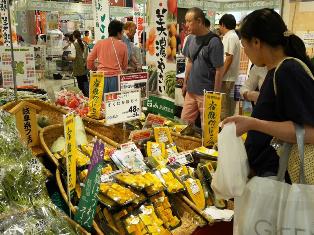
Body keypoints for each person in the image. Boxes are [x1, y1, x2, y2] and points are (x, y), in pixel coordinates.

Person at [223, 8, 314, 178]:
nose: (247, 54)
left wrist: (252, 124)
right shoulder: (275, 71)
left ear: (256, 42)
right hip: (268, 175)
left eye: (245, 47)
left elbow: (309, 132)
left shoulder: (288, 71)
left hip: (280, 179)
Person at [181, 7, 224, 124]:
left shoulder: (214, 41)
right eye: (186, 21)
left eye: (189, 21)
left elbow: (219, 70)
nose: (186, 25)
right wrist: (185, 83)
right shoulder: (190, 39)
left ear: (199, 21)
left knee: (209, 128)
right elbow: (190, 61)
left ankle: (209, 143)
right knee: (184, 123)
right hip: (191, 90)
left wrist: (216, 94)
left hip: (207, 93)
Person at [87, 20, 128, 93]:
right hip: (116, 79)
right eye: (122, 31)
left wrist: (94, 69)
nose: (123, 33)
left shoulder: (99, 43)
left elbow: (89, 60)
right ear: (118, 33)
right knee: (114, 102)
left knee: (100, 103)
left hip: (99, 78)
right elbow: (124, 66)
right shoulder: (123, 46)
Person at [219, 14, 241, 120]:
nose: (219, 28)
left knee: (225, 108)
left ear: (223, 24)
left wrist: (220, 75)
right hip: (230, 78)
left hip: (227, 79)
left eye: (220, 26)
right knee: (228, 106)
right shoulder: (233, 36)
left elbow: (229, 58)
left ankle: (223, 131)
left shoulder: (230, 37)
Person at [67, 30, 89, 97]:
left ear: (73, 36)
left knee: (80, 83)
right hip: (85, 65)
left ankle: (84, 96)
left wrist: (68, 57)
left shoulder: (74, 44)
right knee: (85, 80)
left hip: (78, 66)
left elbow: (73, 57)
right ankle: (88, 94)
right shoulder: (84, 43)